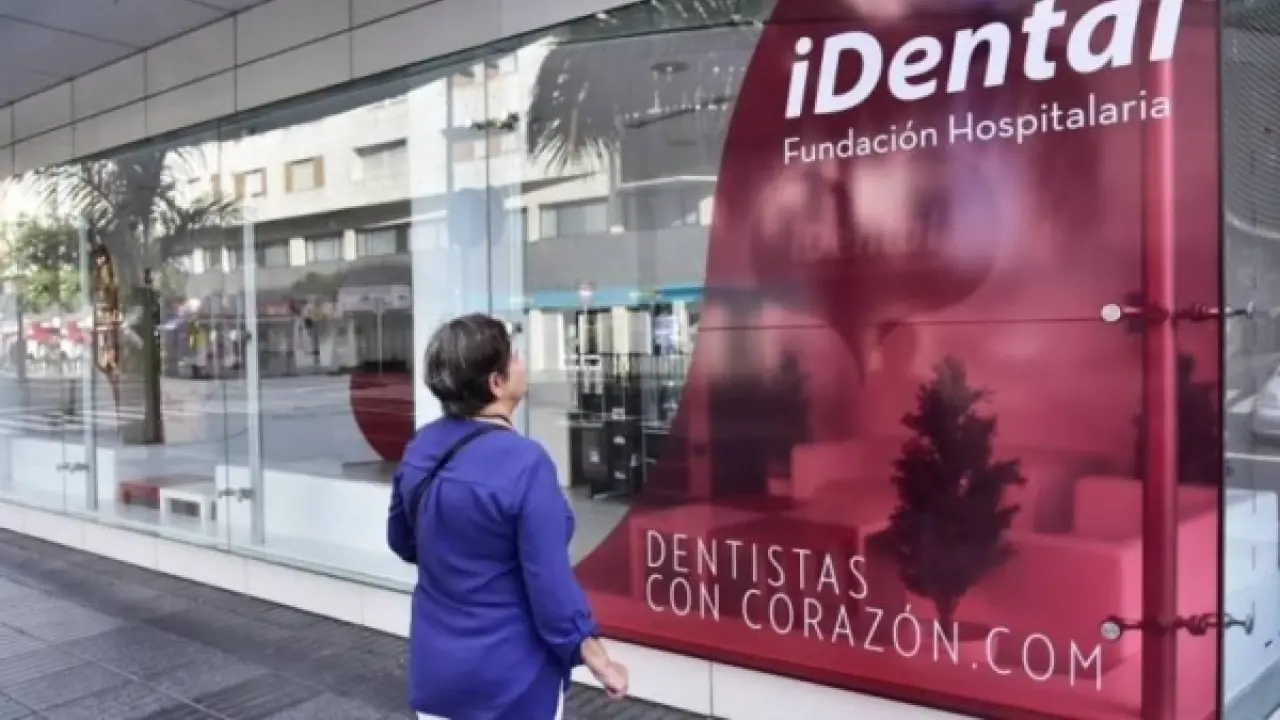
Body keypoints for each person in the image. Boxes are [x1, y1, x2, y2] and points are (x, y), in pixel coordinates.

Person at [388, 313, 628, 720]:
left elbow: (402, 540)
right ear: (495, 383)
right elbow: (549, 584)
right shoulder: (525, 463)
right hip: (511, 679)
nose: (522, 362)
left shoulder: (421, 447)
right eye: (514, 357)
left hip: (437, 673)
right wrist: (598, 658)